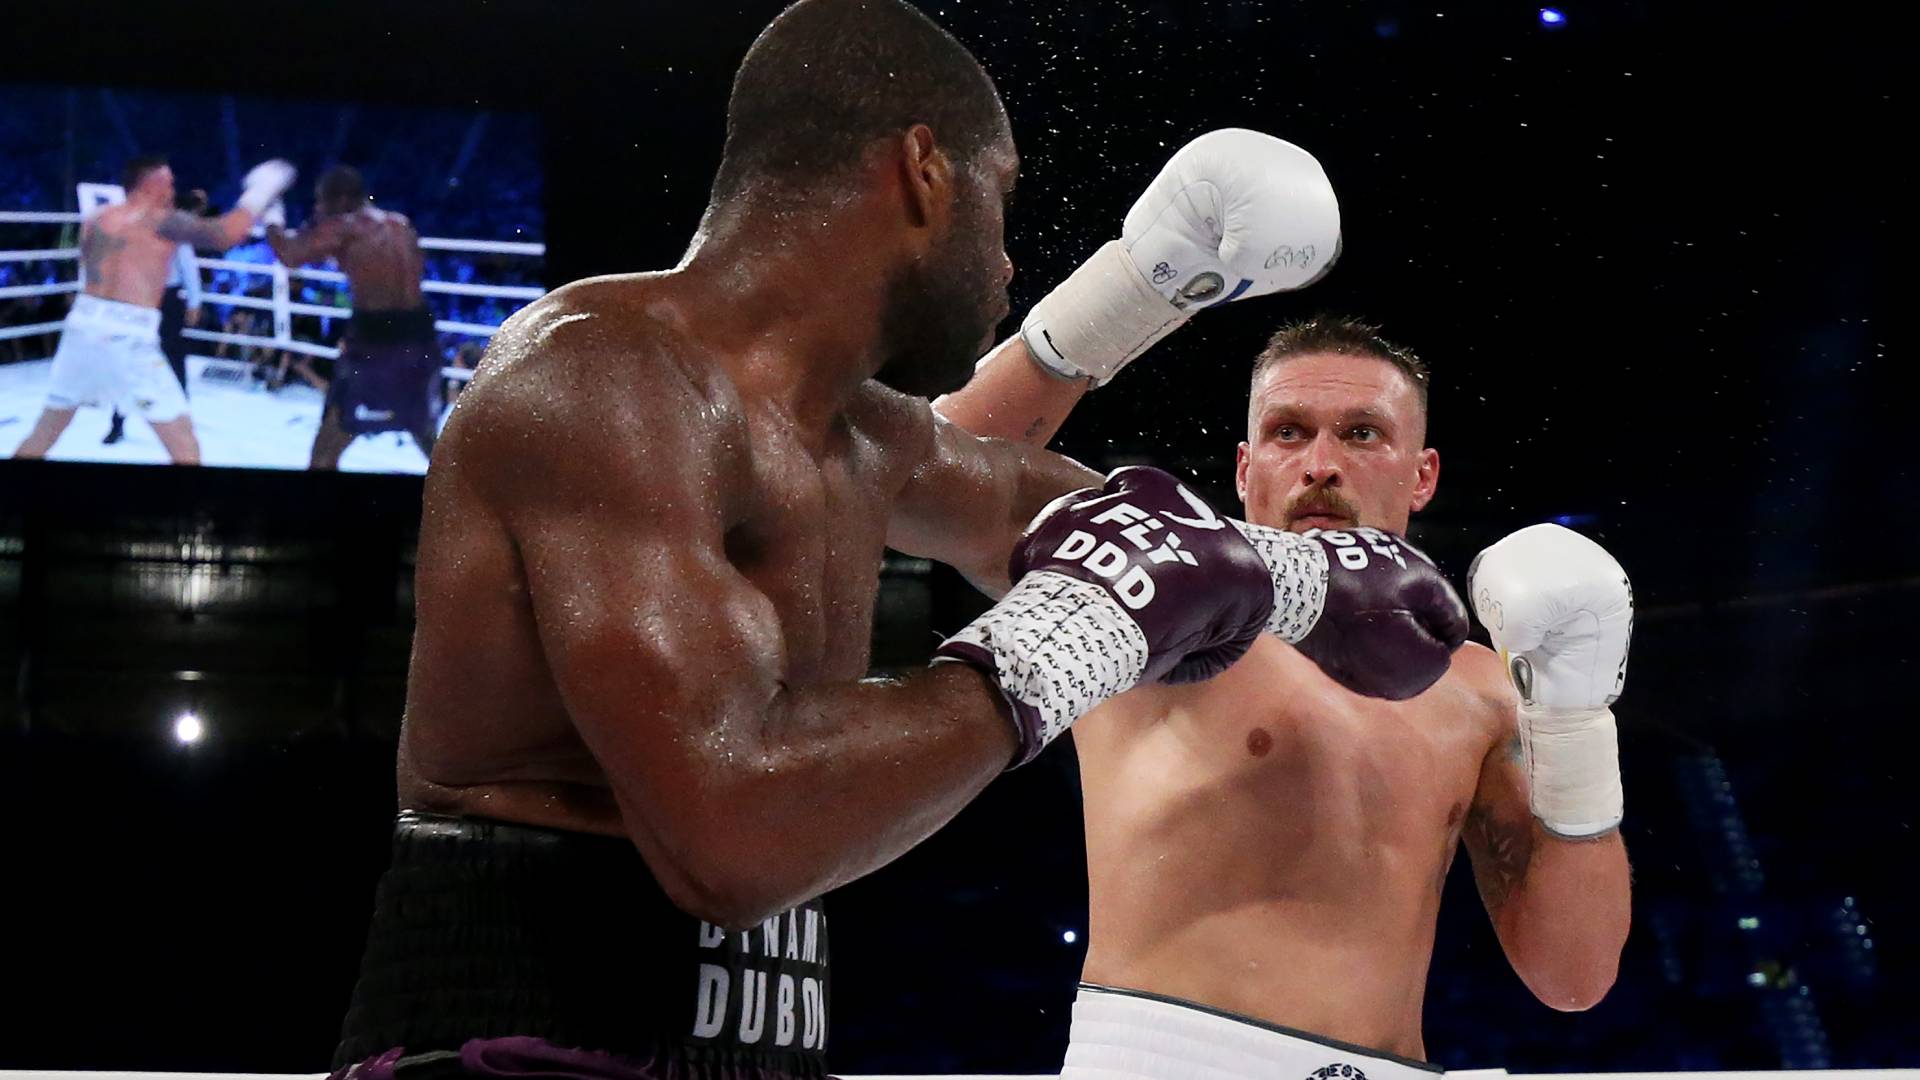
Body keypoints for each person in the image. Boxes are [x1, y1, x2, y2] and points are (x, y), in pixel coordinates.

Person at [328, 3, 1467, 1080]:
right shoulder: (604, 381)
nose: (1011, 259)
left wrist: (1304, 576)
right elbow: (732, 832)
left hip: (763, 1042)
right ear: (925, 171)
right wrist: (1062, 643)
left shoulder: (865, 437)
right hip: (516, 1043)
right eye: (1003, 199)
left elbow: (1071, 515)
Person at [940, 307, 1635, 1079]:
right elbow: (937, 471)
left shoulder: (1484, 685)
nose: (1321, 465)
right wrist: (1134, 283)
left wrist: (1576, 717)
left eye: (1362, 434)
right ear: (1244, 468)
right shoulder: (1158, 591)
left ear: (1424, 474)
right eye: (1289, 432)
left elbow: (1574, 976)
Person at [8, 155, 293, 463]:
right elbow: (224, 235)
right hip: (128, 337)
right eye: (168, 182)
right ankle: (195, 512)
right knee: (184, 443)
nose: (172, 189)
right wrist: (259, 194)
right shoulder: (161, 220)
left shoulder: (97, 218)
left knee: (46, 430)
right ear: (150, 183)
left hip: (81, 329)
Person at [266, 165, 442, 469]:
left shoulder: (347, 226)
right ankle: (482, 504)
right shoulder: (401, 224)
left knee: (325, 451)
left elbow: (289, 255)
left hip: (377, 346)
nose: (319, 208)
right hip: (422, 342)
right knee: (424, 433)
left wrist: (271, 215)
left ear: (343, 200)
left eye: (322, 201)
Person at [105, 186, 206, 445]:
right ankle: (117, 422)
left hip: (167, 298)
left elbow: (187, 266)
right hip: (140, 298)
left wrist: (194, 302)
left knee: (172, 359)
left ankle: (181, 419)